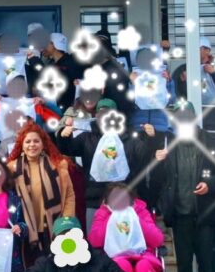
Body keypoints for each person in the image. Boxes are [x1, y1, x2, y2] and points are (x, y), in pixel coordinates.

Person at [153, 102, 215, 272]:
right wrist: (157, 162)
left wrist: (209, 185)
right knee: (184, 262)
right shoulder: (167, 143)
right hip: (180, 213)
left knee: (206, 261)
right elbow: (158, 180)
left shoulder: (210, 141)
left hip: (204, 212)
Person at [56, 98, 147, 229]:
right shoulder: (87, 137)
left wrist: (150, 138)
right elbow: (67, 149)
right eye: (101, 113)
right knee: (95, 238)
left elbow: (143, 156)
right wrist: (64, 136)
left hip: (122, 201)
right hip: (94, 200)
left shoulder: (128, 138)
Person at [8, 123, 76, 260]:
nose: (32, 145)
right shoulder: (11, 169)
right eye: (28, 141)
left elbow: (69, 195)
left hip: (54, 228)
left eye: (36, 141)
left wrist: (66, 223)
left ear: (43, 144)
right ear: (22, 145)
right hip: (25, 231)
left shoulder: (58, 165)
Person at [172, 37, 215, 132]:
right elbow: (182, 93)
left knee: (213, 135)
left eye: (199, 49)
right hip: (193, 108)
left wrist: (214, 73)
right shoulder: (187, 67)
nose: (195, 52)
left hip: (212, 109)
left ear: (207, 50)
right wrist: (183, 82)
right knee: (196, 135)